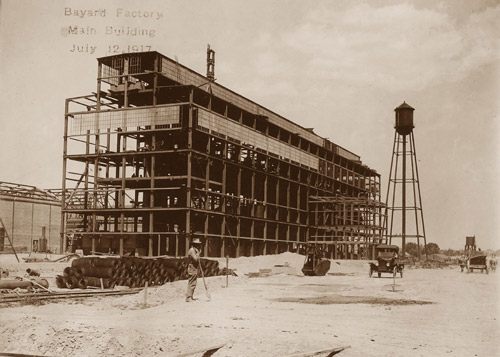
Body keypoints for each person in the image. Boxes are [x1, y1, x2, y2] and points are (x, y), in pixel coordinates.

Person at [185, 237, 202, 302]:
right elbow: (195, 259)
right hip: (192, 267)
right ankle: (188, 297)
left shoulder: (195, 250)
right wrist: (198, 253)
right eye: (197, 244)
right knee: (192, 282)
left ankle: (191, 296)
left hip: (195, 267)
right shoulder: (192, 250)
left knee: (194, 282)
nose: (199, 245)